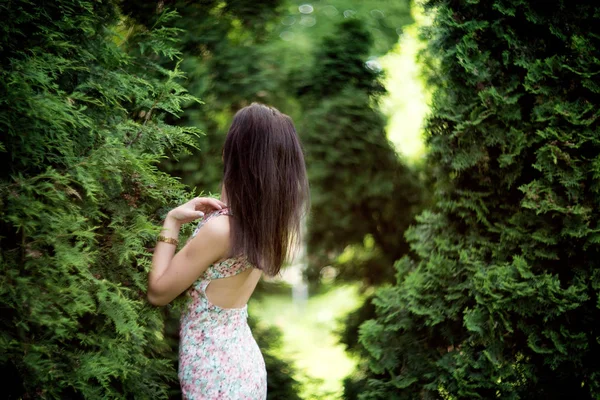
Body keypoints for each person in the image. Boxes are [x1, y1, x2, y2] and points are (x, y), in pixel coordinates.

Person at [147, 103, 309, 399]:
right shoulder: (262, 225)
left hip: (215, 376)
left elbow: (158, 292)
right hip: (242, 369)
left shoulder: (221, 230)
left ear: (233, 153)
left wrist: (171, 221)